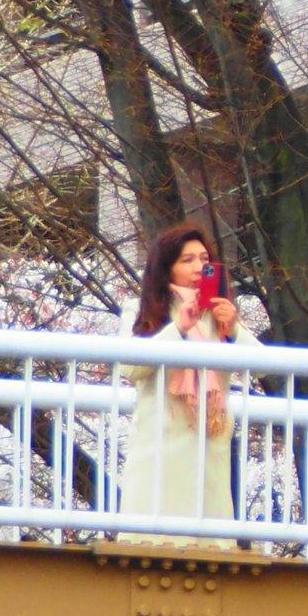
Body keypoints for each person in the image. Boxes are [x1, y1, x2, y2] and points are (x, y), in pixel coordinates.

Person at [118, 223, 244, 531]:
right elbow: (130, 368)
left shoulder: (218, 316)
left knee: (208, 540)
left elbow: (264, 364)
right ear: (167, 268)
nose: (199, 267)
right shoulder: (140, 309)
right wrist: (179, 329)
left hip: (208, 447)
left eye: (203, 259)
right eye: (186, 260)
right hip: (160, 446)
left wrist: (235, 328)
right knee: (153, 539)